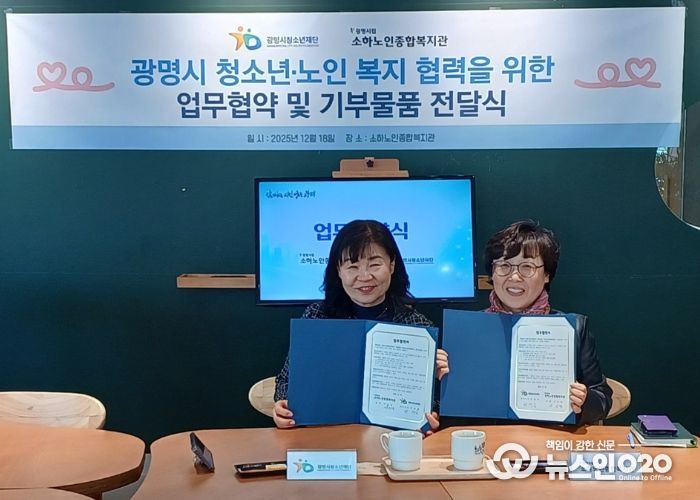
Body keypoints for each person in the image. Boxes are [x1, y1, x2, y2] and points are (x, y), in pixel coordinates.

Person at [273, 219, 449, 429]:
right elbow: (286, 381)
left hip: (388, 440)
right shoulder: (316, 317)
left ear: (392, 265)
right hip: (325, 436)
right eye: (352, 266)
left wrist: (432, 411)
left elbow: (432, 403)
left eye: (375, 265)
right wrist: (282, 407)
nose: (364, 277)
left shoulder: (417, 326)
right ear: (338, 270)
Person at [444, 220, 612, 425]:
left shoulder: (573, 328)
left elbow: (602, 398)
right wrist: (441, 381)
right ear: (492, 272)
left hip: (548, 440)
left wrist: (584, 401)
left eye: (527, 267)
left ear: (547, 274)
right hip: (484, 441)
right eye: (504, 266)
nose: (514, 277)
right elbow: (446, 411)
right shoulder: (466, 331)